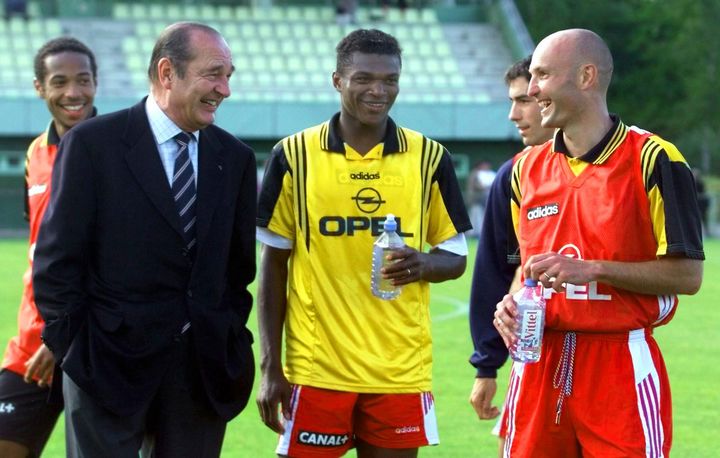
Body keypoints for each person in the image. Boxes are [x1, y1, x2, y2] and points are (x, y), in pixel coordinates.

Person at [32, 22, 256, 457]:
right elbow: (57, 263)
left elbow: (236, 273)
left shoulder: (236, 159)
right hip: (105, 367)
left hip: (201, 373)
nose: (225, 89)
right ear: (168, 72)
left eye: (229, 75)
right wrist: (77, 351)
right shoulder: (92, 145)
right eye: (214, 73)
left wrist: (227, 339)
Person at [256, 28, 471, 457]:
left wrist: (425, 264)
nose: (379, 91)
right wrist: (270, 366)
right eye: (364, 79)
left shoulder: (429, 157)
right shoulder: (293, 156)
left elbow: (456, 258)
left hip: (399, 372)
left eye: (390, 80)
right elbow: (273, 268)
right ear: (338, 80)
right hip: (317, 370)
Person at [493, 29, 704, 457]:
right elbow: (526, 271)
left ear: (586, 76)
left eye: (543, 75)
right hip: (537, 363)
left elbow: (688, 275)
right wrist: (511, 305)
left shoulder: (653, 159)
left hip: (619, 365)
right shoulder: (523, 170)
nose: (532, 90)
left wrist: (594, 268)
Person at [0, 36, 97, 458]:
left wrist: (63, 335)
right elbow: (44, 249)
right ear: (40, 87)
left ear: (96, 83)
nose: (72, 92)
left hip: (92, 345)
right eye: (59, 81)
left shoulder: (119, 149)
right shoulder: (35, 154)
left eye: (83, 80)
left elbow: (117, 260)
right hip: (31, 344)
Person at [467, 55, 553, 457]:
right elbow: (494, 273)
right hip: (533, 357)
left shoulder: (624, 166)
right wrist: (487, 364)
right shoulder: (514, 175)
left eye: (523, 100)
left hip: (608, 354)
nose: (512, 114)